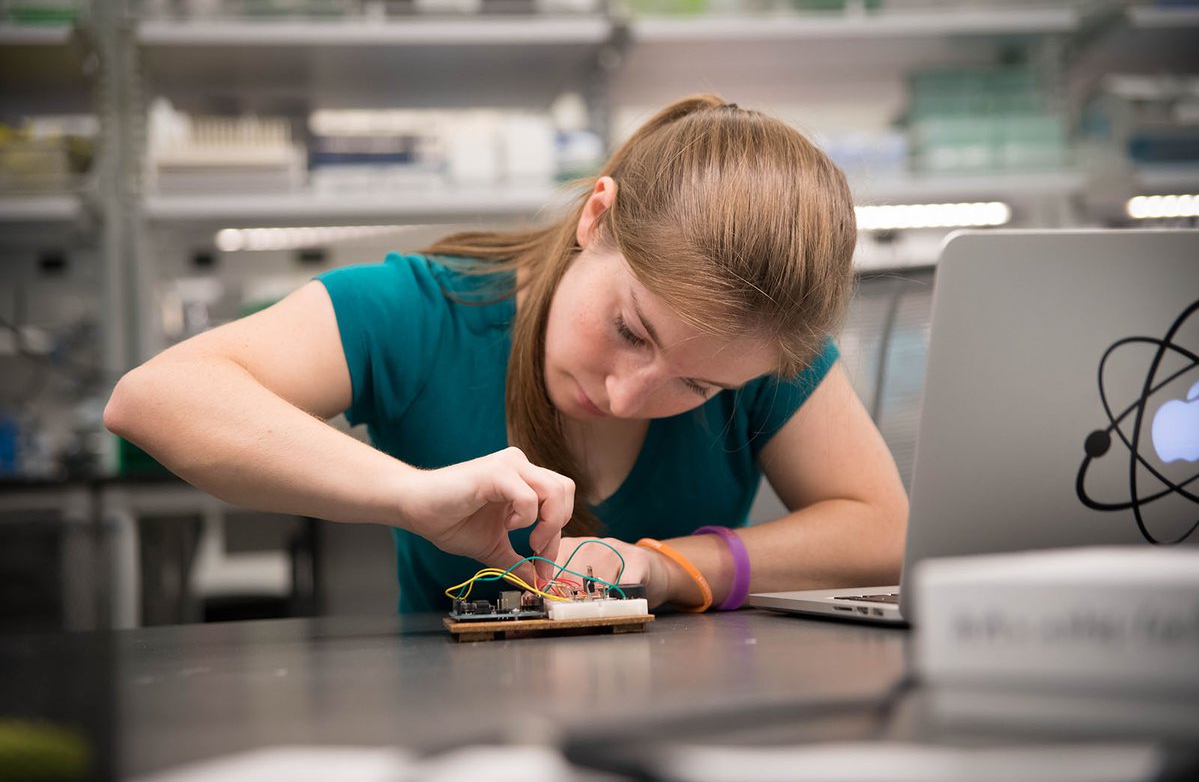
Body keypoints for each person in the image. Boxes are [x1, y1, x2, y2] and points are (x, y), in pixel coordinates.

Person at [104, 94, 908, 614]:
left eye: (696, 384)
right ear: (597, 217)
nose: (628, 395)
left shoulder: (762, 342)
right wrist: (409, 494)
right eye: (631, 331)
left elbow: (883, 530)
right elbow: (158, 397)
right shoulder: (426, 313)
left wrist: (666, 569)